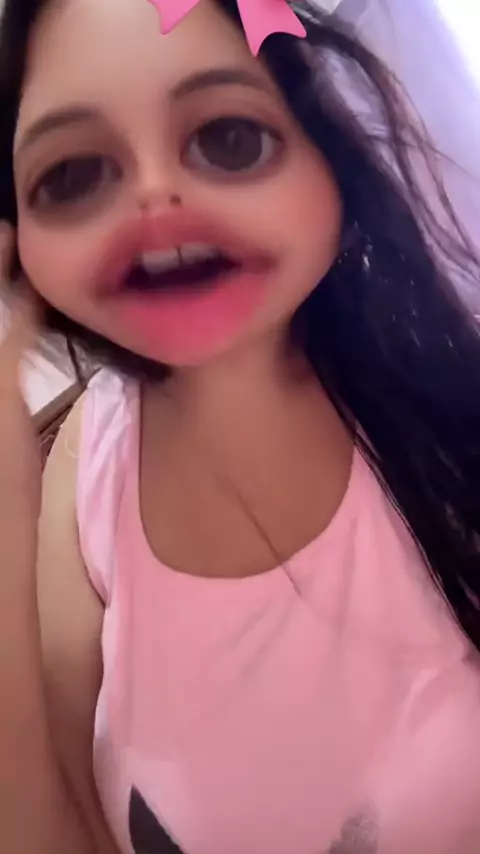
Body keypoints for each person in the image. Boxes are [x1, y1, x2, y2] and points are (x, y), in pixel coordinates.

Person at [1, 0, 480, 851]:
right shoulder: (82, 468)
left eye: (229, 138)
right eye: (71, 176)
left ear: (329, 158)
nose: (154, 197)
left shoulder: (449, 402)